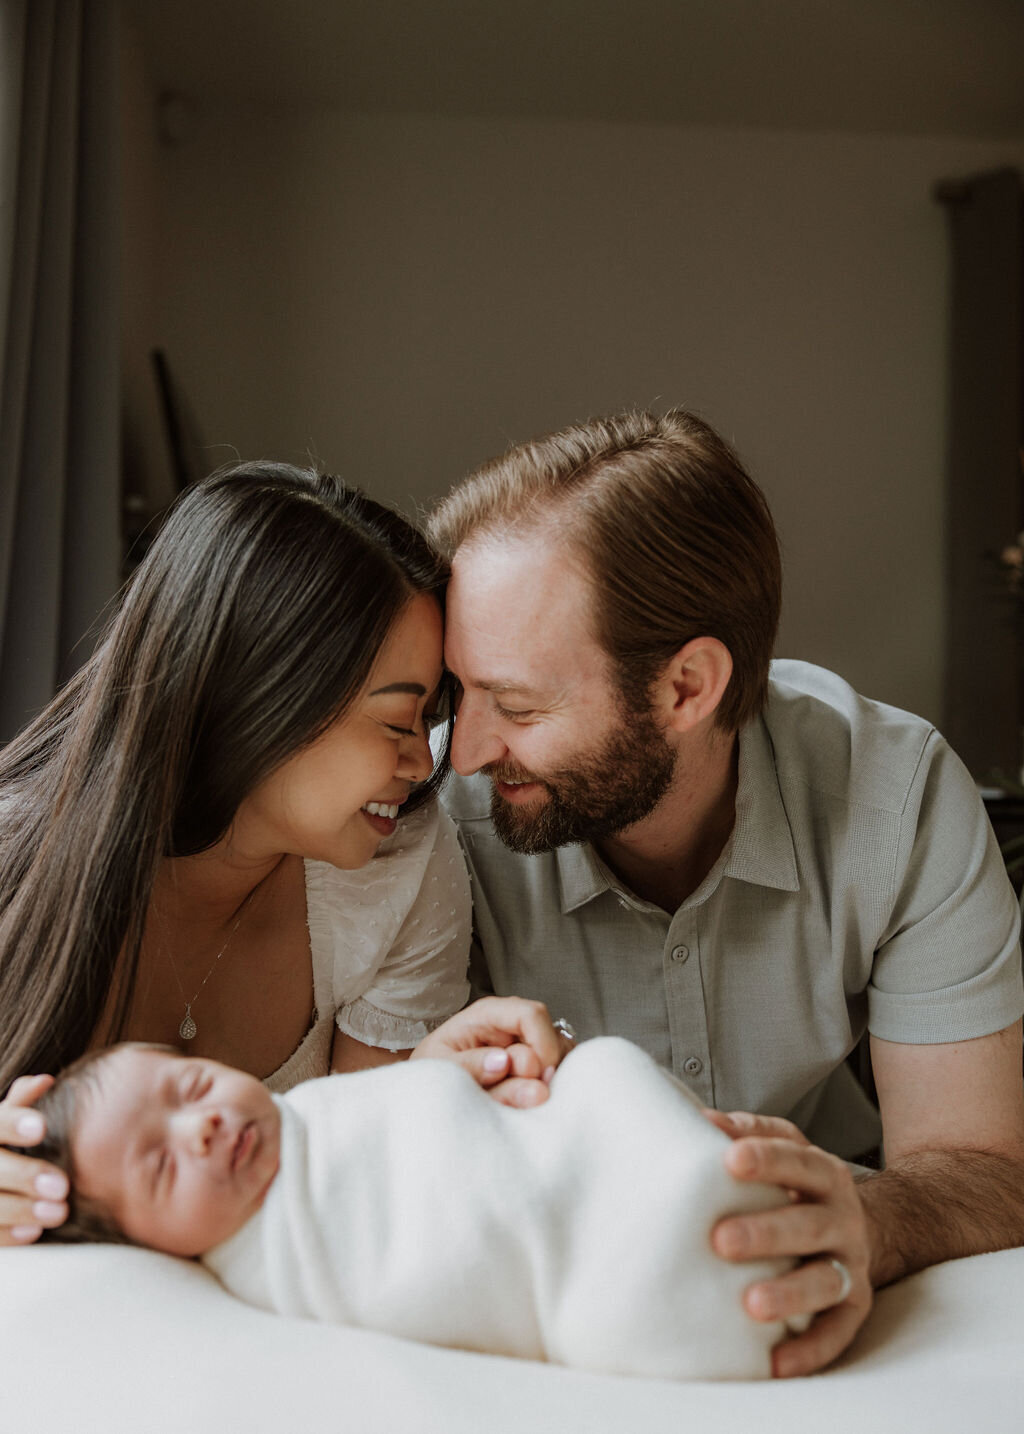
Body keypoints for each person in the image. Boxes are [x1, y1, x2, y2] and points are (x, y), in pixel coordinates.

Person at [425, 408, 1024, 1378]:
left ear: (686, 687)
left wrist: (864, 1219)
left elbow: (990, 1169)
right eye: (460, 692)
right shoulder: (434, 811)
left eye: (521, 705)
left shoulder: (895, 794)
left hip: (841, 1314)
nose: (471, 751)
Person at [0, 461, 560, 1248]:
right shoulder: (14, 867)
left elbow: (357, 1213)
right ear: (263, 695)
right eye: (401, 723)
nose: (425, 764)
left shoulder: (398, 869)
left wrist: (429, 1097)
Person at [31, 1029, 804, 1381]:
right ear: (147, 1247)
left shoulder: (305, 1110)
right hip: (568, 1265)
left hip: (576, 1158)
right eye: (162, 1166)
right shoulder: (264, 1272)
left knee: (604, 1068)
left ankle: (712, 1178)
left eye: (193, 1085)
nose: (201, 1126)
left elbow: (411, 1114)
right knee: (607, 1308)